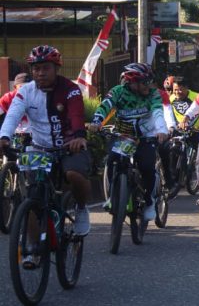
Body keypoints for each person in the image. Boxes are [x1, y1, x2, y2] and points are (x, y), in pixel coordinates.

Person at [0, 46, 92, 243]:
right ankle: (33, 250)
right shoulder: (25, 91)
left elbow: (76, 114)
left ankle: (82, 209)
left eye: (46, 68)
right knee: (33, 198)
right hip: (40, 148)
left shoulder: (70, 89)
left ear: (56, 68)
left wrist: (78, 136)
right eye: (36, 69)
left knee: (75, 174)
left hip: (69, 146)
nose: (40, 73)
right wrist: (4, 137)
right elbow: (13, 115)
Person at [89, 63, 169, 222]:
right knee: (112, 161)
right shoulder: (118, 92)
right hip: (124, 136)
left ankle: (150, 201)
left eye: (149, 81)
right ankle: (113, 196)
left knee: (147, 166)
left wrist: (161, 130)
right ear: (132, 82)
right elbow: (105, 106)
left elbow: (158, 111)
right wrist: (97, 122)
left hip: (146, 136)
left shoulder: (153, 94)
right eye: (144, 82)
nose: (149, 85)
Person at [0, 73, 33, 145]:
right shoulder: (8, 98)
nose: (25, 90)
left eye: (28, 87)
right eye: (22, 87)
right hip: (14, 135)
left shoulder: (38, 96)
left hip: (35, 135)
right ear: (15, 87)